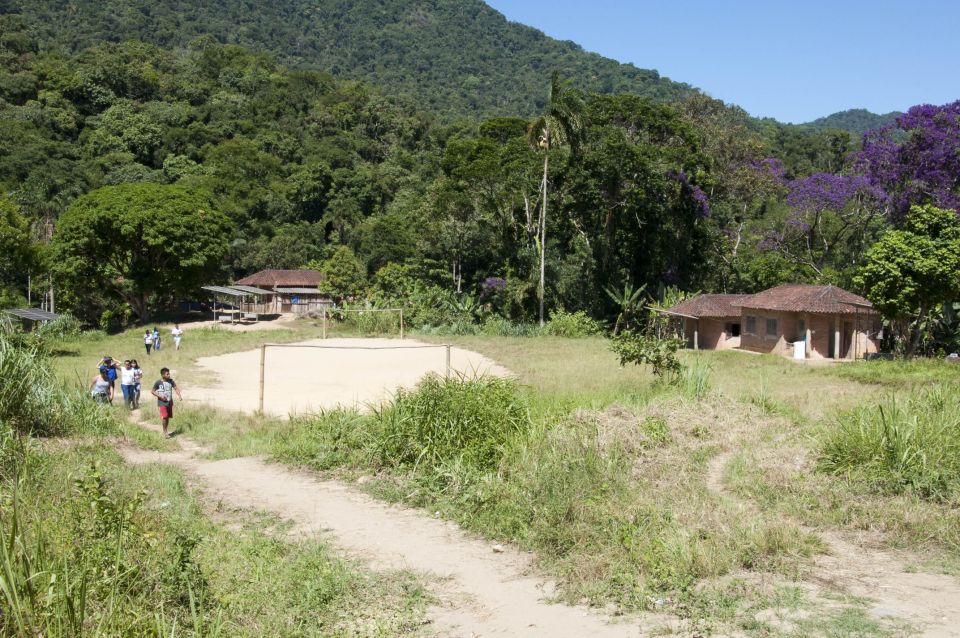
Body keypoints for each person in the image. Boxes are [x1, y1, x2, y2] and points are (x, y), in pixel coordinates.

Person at [151, 367, 182, 438]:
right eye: (167, 374)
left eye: (169, 373)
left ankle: (166, 430)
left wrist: (179, 395)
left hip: (169, 402)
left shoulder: (171, 381)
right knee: (164, 416)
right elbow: (152, 391)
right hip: (162, 402)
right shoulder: (158, 382)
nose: (169, 375)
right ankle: (165, 432)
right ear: (163, 375)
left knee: (167, 417)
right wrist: (160, 396)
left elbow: (176, 388)